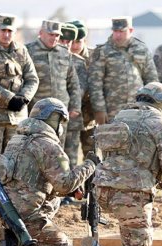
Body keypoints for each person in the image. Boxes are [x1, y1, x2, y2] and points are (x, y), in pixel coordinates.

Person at [71, 82, 162, 246]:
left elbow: (126, 160)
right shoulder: (161, 123)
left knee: (130, 231)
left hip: (102, 190)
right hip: (131, 196)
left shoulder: (119, 117)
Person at [0, 98, 97, 246]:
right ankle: (20, 242)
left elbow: (30, 177)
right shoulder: (48, 145)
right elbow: (64, 185)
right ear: (53, 119)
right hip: (29, 216)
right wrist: (90, 165)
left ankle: (15, 237)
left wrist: (71, 188)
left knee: (53, 197)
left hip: (6, 214)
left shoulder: (16, 140)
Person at [0, 14, 39, 213]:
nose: (6, 34)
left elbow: (32, 78)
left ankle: (12, 199)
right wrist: (9, 98)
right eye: (3, 30)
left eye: (10, 30)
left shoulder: (21, 50)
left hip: (17, 117)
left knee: (15, 160)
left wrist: (24, 98)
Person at [88, 16, 158, 125]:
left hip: (138, 108)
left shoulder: (141, 49)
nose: (118, 35)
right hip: (112, 110)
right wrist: (99, 109)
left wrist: (153, 107)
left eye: (121, 31)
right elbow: (95, 83)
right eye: (115, 31)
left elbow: (151, 80)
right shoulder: (103, 51)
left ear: (130, 30)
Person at [26, 20, 82, 147]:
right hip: (37, 112)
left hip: (60, 112)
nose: (54, 38)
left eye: (57, 35)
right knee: (35, 146)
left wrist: (75, 107)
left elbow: (73, 82)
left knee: (57, 147)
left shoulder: (64, 53)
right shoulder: (29, 51)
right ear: (41, 33)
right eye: (51, 34)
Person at [59, 22, 87, 205]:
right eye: (66, 40)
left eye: (75, 41)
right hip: (55, 120)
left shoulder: (79, 63)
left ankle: (71, 191)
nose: (71, 45)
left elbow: (81, 89)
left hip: (74, 117)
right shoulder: (57, 58)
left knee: (71, 156)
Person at [68, 20, 96, 161]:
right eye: (71, 42)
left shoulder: (94, 57)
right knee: (68, 158)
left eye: (78, 42)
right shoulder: (63, 57)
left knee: (92, 157)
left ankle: (92, 183)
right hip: (69, 118)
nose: (74, 46)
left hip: (89, 118)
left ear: (84, 40)